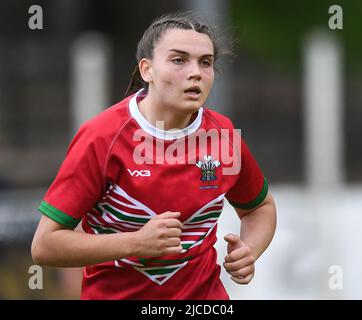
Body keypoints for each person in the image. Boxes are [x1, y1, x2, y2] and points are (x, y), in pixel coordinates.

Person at [31, 11, 277, 300]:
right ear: (147, 70)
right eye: (178, 60)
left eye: (206, 62)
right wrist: (135, 243)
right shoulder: (103, 137)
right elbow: (45, 245)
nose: (195, 72)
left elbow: (259, 208)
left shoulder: (222, 136)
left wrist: (250, 250)